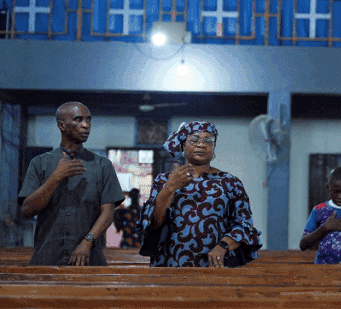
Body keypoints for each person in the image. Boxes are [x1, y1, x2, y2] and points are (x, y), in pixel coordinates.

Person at [139, 121, 262, 267]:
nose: (201, 144)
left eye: (208, 140)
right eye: (194, 139)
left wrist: (223, 246)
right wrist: (169, 188)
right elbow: (153, 224)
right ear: (183, 145)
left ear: (214, 146)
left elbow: (244, 224)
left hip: (215, 266)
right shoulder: (164, 180)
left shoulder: (230, 182)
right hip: (169, 263)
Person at [18, 102, 124, 266]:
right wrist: (55, 178)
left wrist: (87, 242)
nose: (85, 125)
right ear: (61, 125)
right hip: (47, 259)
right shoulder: (40, 163)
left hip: (89, 259)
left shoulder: (102, 165)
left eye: (88, 120)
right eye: (78, 120)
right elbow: (28, 210)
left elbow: (108, 212)